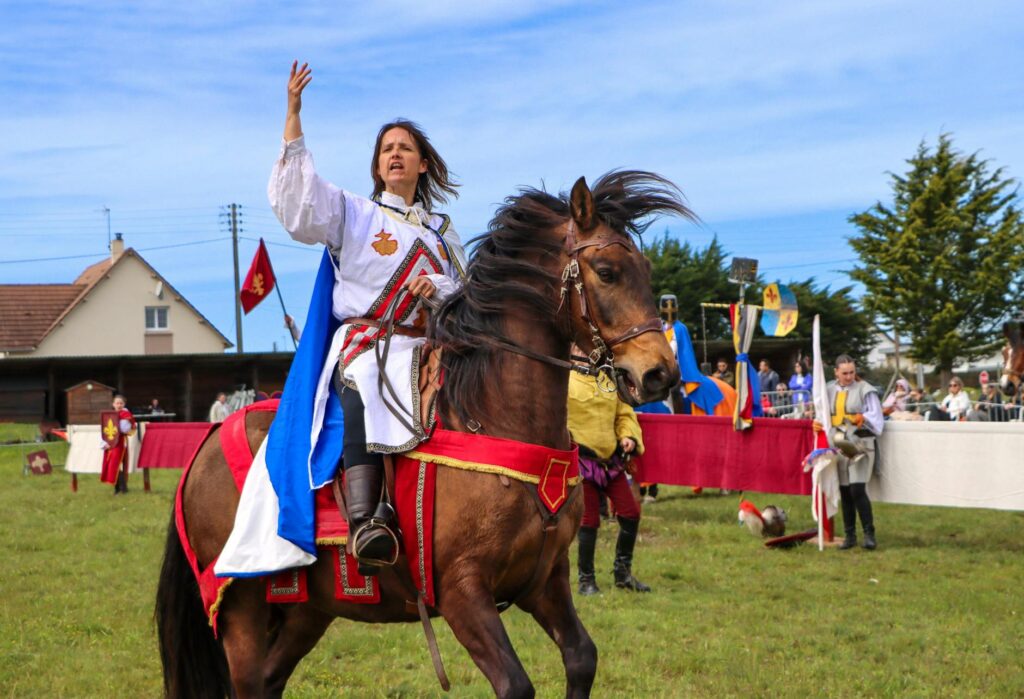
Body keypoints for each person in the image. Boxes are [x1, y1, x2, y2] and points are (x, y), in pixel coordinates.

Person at [266, 61, 466, 571]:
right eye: (386, 149)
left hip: (430, 344)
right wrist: (293, 117)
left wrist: (439, 287)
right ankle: (365, 523)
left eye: (405, 147)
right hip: (368, 343)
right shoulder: (355, 213)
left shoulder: (444, 234)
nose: (394, 154)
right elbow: (301, 208)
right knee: (368, 375)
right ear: (378, 167)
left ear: (423, 165)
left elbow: (467, 293)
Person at [568, 367, 650, 595]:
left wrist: (627, 436)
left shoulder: (609, 379)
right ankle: (586, 581)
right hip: (581, 463)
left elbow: (624, 414)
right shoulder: (565, 379)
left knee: (631, 514)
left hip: (611, 461)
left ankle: (623, 574)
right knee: (589, 521)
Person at [817, 355, 883, 550]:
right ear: (836, 372)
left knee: (857, 489)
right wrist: (817, 424)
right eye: (844, 373)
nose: (848, 376)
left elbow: (876, 416)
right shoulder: (827, 390)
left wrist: (862, 417)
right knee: (845, 492)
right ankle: (850, 536)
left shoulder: (865, 390)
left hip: (860, 443)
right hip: (838, 444)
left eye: (852, 372)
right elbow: (823, 414)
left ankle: (869, 535)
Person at [100, 394, 136, 494]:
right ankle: (118, 488)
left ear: (124, 404)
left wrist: (120, 423)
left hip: (120, 442)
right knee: (111, 465)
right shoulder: (109, 415)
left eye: (121, 403)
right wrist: (104, 442)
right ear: (113, 404)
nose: (119, 405)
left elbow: (125, 429)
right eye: (117, 403)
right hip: (110, 443)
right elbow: (104, 430)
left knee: (115, 464)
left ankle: (123, 488)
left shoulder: (125, 415)